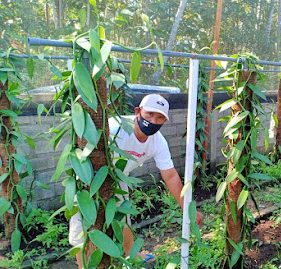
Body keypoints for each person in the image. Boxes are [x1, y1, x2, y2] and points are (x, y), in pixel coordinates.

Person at [69, 94, 203, 268]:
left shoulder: (158, 142)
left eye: (160, 117)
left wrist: (187, 209)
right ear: (138, 111)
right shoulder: (116, 128)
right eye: (150, 114)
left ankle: (132, 254)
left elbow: (170, 175)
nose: (154, 120)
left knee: (123, 218)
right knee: (83, 227)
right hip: (90, 177)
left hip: (118, 178)